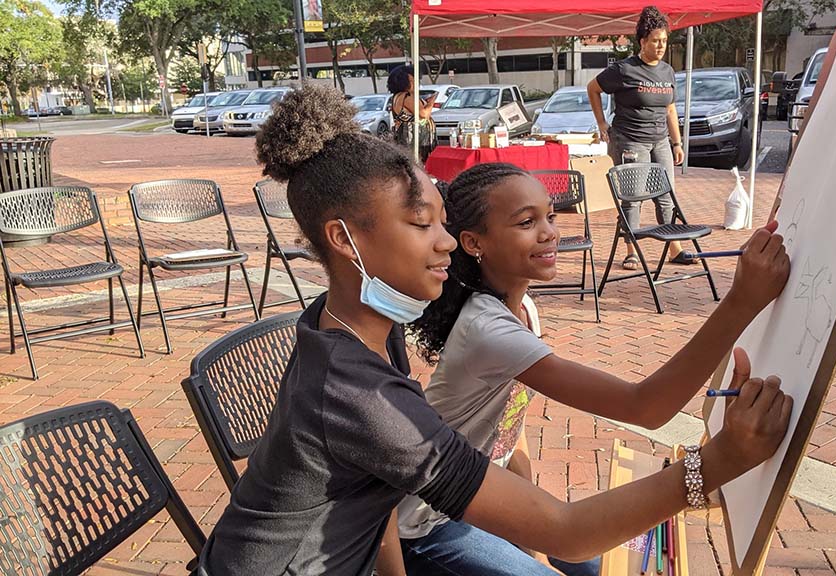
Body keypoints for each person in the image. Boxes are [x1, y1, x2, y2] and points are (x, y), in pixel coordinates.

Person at [197, 85, 793, 576]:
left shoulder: (355, 328)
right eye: (420, 223)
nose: (446, 242)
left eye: (443, 221)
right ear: (343, 240)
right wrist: (719, 461)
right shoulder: (366, 397)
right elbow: (569, 530)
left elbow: (373, 490)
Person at [399, 163, 792, 575]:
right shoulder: (487, 330)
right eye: (526, 222)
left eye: (550, 216)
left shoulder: (522, 311)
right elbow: (645, 408)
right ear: (474, 242)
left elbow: (511, 432)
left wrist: (528, 523)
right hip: (427, 523)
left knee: (609, 566)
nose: (550, 232)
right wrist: (742, 301)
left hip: (479, 495)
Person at [587, 6, 689, 271]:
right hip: (630, 140)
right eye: (655, 40)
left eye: (664, 41)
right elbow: (593, 88)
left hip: (661, 141)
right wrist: (601, 123)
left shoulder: (667, 71)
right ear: (642, 41)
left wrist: (677, 143)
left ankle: (673, 247)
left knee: (667, 195)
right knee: (633, 197)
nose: (660, 46)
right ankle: (632, 250)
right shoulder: (624, 70)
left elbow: (670, 108)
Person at [388, 64, 438, 160]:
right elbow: (423, 114)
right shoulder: (407, 96)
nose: (415, 83)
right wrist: (431, 102)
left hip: (410, 138)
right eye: (411, 80)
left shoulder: (397, 96)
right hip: (415, 140)